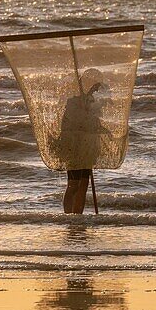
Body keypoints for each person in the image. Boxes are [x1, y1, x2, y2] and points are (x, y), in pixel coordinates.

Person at [57, 69, 109, 214]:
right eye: (95, 85)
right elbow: (71, 124)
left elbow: (93, 123)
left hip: (87, 147)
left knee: (84, 182)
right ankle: (69, 216)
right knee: (74, 184)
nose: (97, 88)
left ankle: (77, 215)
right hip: (74, 147)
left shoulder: (91, 102)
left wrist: (102, 128)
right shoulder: (73, 102)